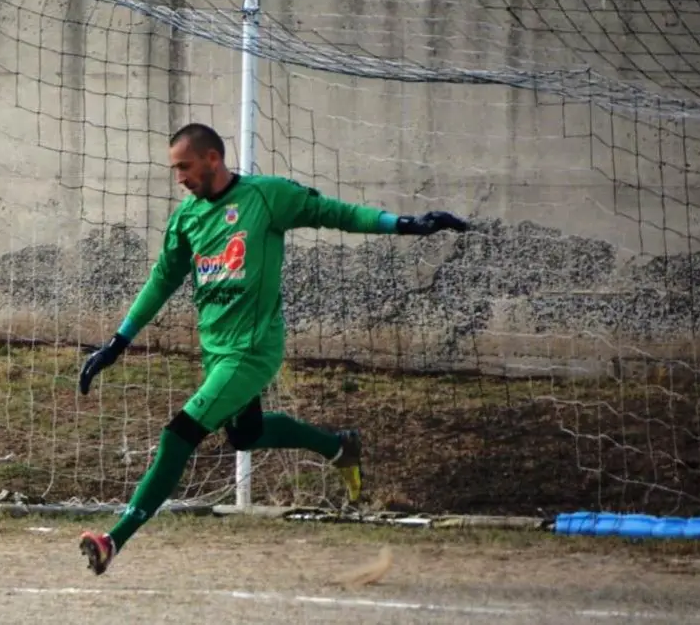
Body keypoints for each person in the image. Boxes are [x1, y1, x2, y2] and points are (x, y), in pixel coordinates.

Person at [76, 122, 469, 576]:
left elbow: (335, 213)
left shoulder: (266, 197)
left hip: (253, 351)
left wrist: (404, 225)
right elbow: (162, 280)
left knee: (177, 435)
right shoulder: (187, 218)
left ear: (212, 159)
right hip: (218, 352)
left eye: (184, 167)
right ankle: (339, 446)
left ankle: (112, 540)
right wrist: (117, 342)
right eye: (174, 170)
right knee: (245, 435)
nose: (179, 178)